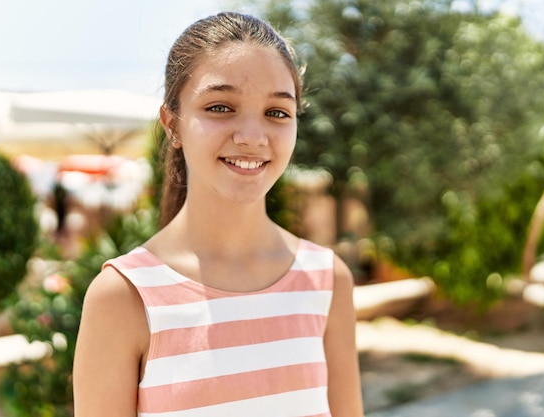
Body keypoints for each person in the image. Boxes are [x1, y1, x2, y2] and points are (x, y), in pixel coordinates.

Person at [73, 11, 363, 417]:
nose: (252, 137)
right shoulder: (123, 297)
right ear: (172, 124)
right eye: (221, 107)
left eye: (277, 112)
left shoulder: (328, 281)